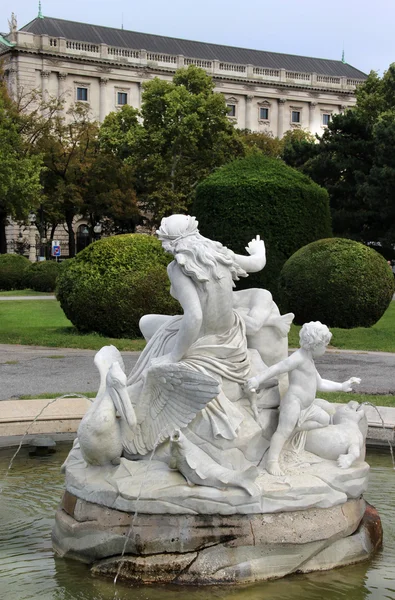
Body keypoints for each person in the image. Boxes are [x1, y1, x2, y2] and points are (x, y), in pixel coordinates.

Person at [128, 214, 276, 444]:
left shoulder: (178, 268)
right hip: (231, 336)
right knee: (155, 325)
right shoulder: (220, 253)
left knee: (146, 323)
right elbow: (257, 264)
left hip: (203, 340)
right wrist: (259, 249)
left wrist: (173, 356)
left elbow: (194, 316)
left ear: (170, 242)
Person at [246, 321, 361, 476]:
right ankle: (272, 462)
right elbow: (278, 367)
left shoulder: (309, 359)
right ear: (315, 344)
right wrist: (257, 379)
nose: (326, 349)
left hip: (307, 407)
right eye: (325, 345)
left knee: (325, 419)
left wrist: (342, 386)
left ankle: (295, 429)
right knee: (282, 432)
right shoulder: (298, 358)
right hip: (294, 403)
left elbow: (320, 383)